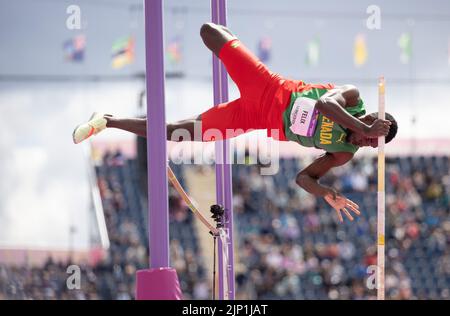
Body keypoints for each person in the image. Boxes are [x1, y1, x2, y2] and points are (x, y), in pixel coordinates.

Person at [73, 23, 398, 223]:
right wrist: (366, 129)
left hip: (253, 119)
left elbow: (303, 178)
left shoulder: (343, 153)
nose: (366, 144)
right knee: (208, 32)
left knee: (176, 133)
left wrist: (326, 192)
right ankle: (232, 40)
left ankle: (107, 121)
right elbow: (326, 104)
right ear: (369, 119)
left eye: (372, 145)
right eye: (370, 138)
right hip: (268, 86)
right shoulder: (353, 99)